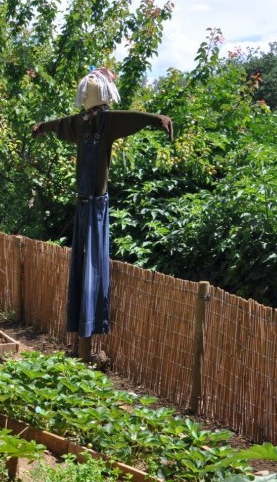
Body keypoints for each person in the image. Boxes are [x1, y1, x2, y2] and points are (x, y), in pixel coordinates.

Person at [32, 68, 173, 363]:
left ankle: (86, 338)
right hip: (91, 206)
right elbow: (130, 117)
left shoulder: (91, 123)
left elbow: (61, 125)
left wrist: (42, 127)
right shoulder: (97, 123)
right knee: (88, 270)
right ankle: (84, 338)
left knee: (89, 270)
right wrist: (156, 120)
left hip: (90, 204)